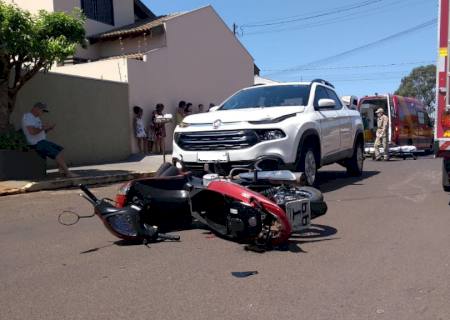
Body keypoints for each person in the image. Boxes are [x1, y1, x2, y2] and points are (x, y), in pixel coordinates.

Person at [22, 102, 77, 177]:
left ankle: (61, 170)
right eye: (43, 111)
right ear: (36, 109)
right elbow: (32, 132)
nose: (43, 113)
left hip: (41, 141)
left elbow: (40, 132)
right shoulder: (28, 117)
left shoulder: (36, 118)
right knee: (57, 154)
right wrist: (43, 128)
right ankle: (68, 173)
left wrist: (48, 129)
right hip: (36, 143)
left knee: (60, 149)